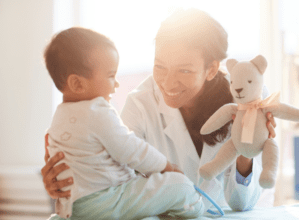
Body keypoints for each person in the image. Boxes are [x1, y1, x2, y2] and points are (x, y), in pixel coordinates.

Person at [41, 8, 277, 217]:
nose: (168, 82)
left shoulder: (245, 98)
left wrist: (247, 148)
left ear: (211, 69)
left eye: (184, 71)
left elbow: (241, 203)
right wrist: (72, 175)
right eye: (160, 67)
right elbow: (118, 177)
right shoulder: (139, 105)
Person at [43, 27, 205, 220]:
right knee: (179, 185)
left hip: (73, 209)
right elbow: (130, 149)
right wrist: (166, 166)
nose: (117, 84)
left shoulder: (58, 120)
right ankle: (197, 208)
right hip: (106, 202)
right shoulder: (97, 111)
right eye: (111, 76)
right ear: (77, 84)